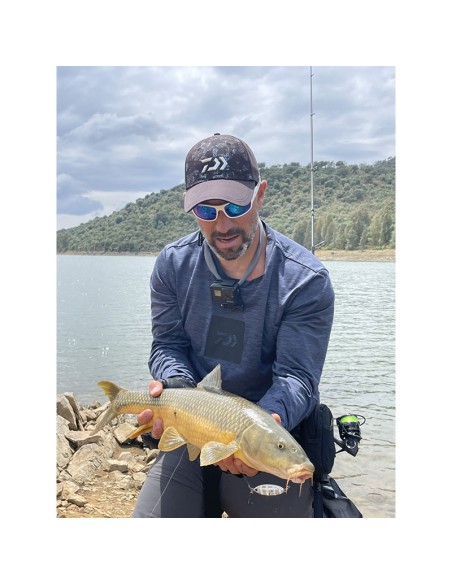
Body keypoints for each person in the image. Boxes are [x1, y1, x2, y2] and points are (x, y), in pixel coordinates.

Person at [132, 133, 335, 518]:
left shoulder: (305, 281)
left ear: (260, 195)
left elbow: (296, 378)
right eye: (206, 210)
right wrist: (177, 390)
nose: (222, 224)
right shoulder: (172, 266)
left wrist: (261, 427)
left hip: (269, 432)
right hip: (193, 428)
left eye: (235, 205)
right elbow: (167, 345)